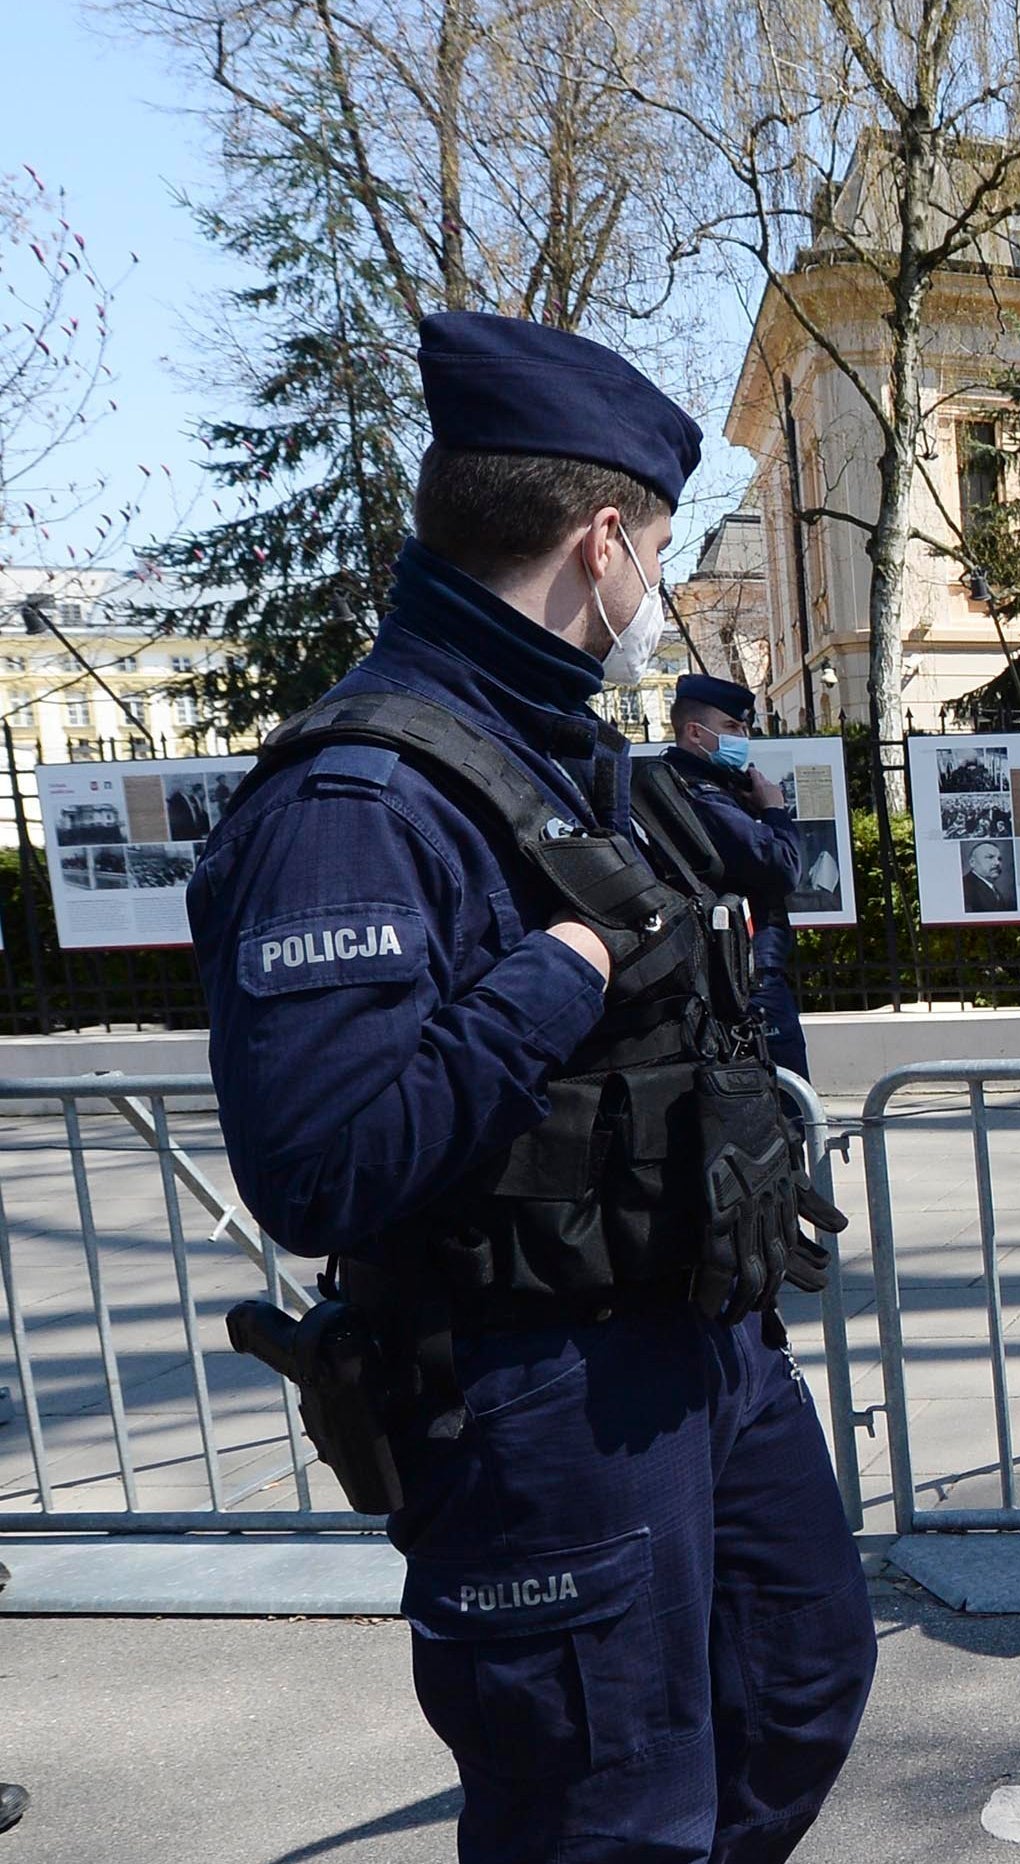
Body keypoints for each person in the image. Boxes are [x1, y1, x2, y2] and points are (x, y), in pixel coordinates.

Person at [186, 311, 874, 1863]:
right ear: (602, 540)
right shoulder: (355, 798)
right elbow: (320, 1167)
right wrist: (549, 977)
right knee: (603, 1820)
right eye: (656, 554)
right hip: (533, 1392)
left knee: (799, 1680)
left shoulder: (560, 755)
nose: (656, 595)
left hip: (700, 1344)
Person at [669, 673, 812, 1080]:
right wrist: (773, 810)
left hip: (732, 971)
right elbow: (782, 866)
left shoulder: (703, 787)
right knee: (789, 1106)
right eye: (731, 727)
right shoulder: (702, 794)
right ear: (695, 733)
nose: (742, 737)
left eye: (745, 728)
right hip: (747, 978)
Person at [962, 839, 1016, 913]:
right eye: (990, 857)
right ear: (972, 862)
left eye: (999, 859)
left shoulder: (994, 890)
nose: (997, 863)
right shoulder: (965, 888)